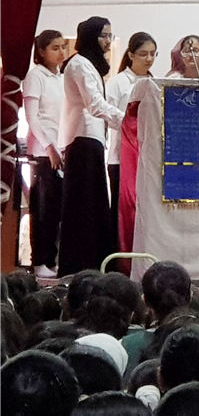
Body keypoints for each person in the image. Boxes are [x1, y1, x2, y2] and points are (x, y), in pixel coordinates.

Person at [58, 16, 124, 277]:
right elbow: (94, 105)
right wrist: (127, 120)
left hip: (91, 140)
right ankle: (80, 266)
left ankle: (93, 264)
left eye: (110, 36)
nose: (108, 41)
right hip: (82, 140)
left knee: (93, 205)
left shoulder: (88, 64)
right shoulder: (80, 64)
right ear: (90, 37)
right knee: (83, 207)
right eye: (103, 35)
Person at [107, 32, 156, 253]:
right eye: (143, 54)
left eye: (153, 54)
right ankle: (122, 258)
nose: (149, 59)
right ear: (131, 55)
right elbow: (108, 117)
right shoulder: (117, 83)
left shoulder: (154, 83)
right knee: (123, 211)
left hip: (147, 160)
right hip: (121, 158)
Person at [23, 30, 66, 278]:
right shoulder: (35, 76)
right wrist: (48, 146)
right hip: (42, 152)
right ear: (41, 51)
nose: (61, 52)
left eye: (63, 47)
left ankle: (51, 259)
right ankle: (39, 260)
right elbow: (33, 118)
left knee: (57, 211)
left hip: (60, 150)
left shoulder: (61, 78)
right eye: (55, 48)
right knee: (43, 210)